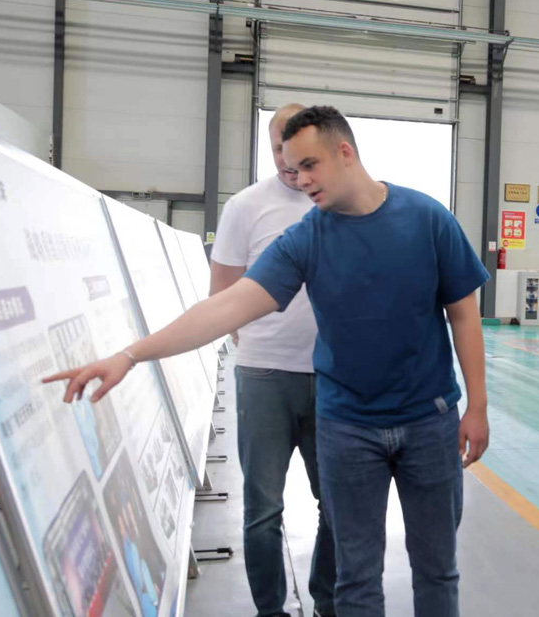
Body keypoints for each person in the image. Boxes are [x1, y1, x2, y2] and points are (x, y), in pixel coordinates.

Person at [45, 105, 490, 617]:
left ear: (345, 152)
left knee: (437, 570)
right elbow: (225, 307)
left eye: (310, 165)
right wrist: (131, 354)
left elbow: (463, 314)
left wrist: (476, 407)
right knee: (356, 579)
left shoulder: (428, 219)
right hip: (348, 428)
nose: (300, 180)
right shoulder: (307, 238)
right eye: (293, 168)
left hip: (429, 421)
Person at [209, 103, 337, 617]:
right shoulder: (246, 206)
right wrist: (256, 342)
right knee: (263, 509)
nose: (287, 161)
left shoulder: (334, 202)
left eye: (297, 150)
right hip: (263, 376)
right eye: (277, 149)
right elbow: (222, 293)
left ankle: (327, 601)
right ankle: (270, 610)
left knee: (337, 503)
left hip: (332, 377)